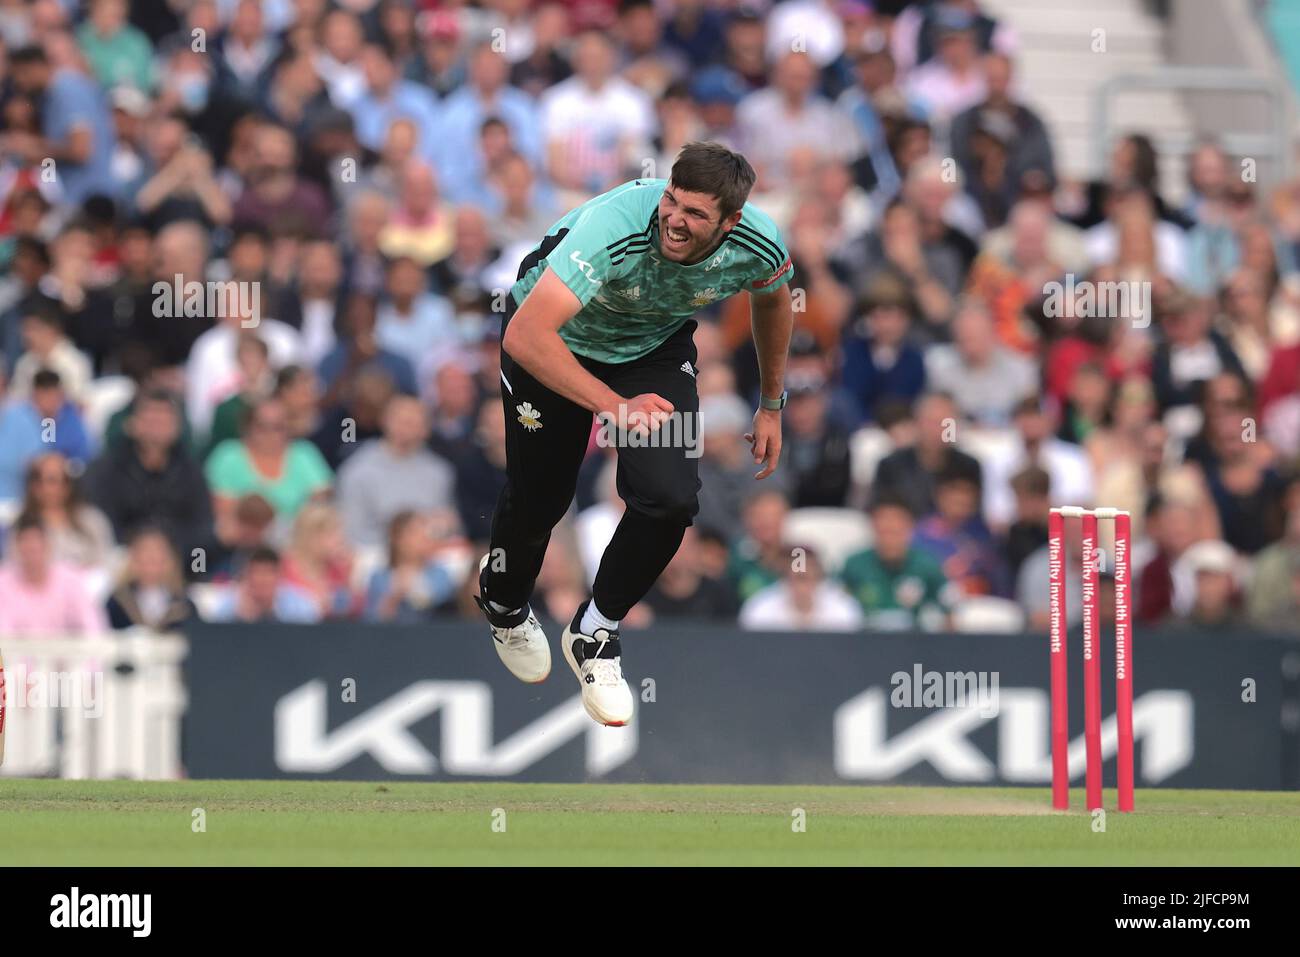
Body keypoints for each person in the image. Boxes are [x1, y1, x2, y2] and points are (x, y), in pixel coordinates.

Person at [475, 142, 794, 727]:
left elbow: (774, 303)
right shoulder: (615, 226)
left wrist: (771, 403)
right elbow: (526, 336)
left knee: (671, 499)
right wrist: (613, 407)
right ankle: (503, 602)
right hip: (554, 340)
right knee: (543, 496)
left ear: (732, 222)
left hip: (650, 344)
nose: (675, 219)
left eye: (696, 214)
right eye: (673, 201)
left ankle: (595, 632)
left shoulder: (760, 242)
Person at [0, 514, 107, 634]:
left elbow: (93, 628)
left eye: (37, 541)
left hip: (68, 651)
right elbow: (3, 637)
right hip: (15, 652)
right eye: (25, 541)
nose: (31, 547)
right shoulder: (2, 583)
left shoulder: (71, 580)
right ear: (15, 546)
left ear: (48, 544)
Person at [105, 527, 196, 631]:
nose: (152, 557)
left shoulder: (183, 604)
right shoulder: (117, 602)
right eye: (145, 553)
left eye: (158, 553)